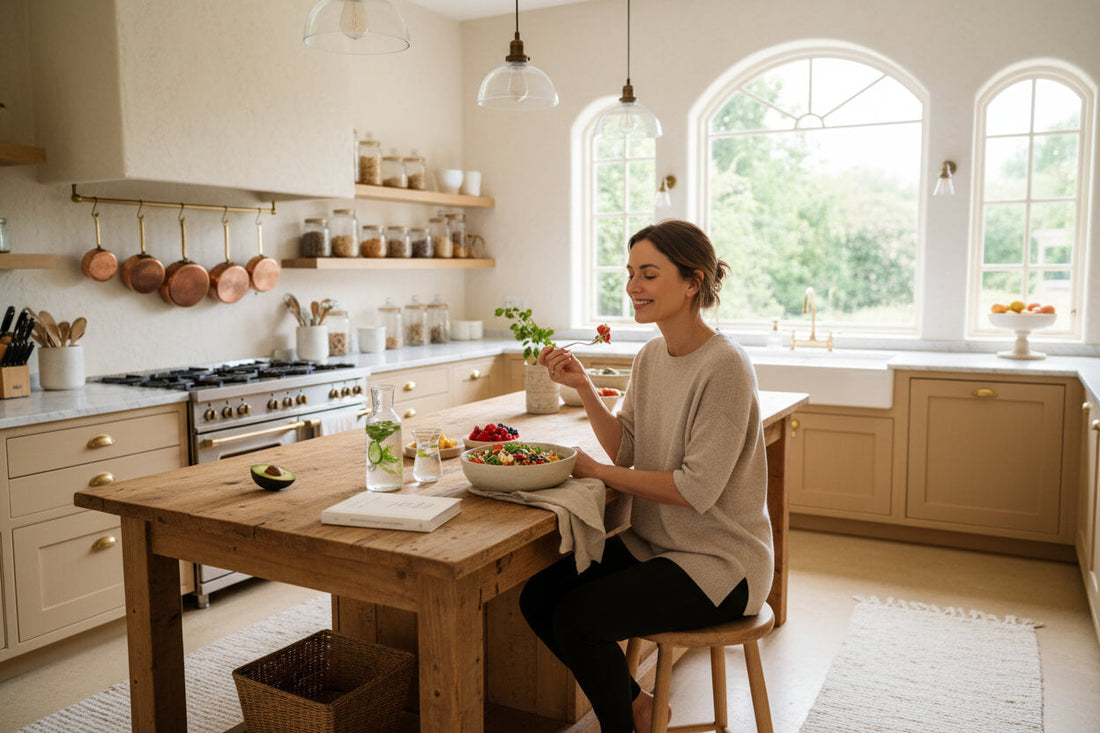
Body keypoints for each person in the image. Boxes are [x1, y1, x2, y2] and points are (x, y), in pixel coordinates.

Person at [519, 219, 773, 733]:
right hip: (655, 543)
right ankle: (636, 705)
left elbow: (694, 488)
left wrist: (598, 472)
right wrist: (584, 386)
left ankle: (627, 725)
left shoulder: (725, 366)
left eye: (649, 274)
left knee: (578, 619)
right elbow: (628, 446)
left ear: (692, 281)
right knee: (538, 598)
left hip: (721, 562)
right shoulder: (652, 355)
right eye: (631, 272)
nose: (633, 286)